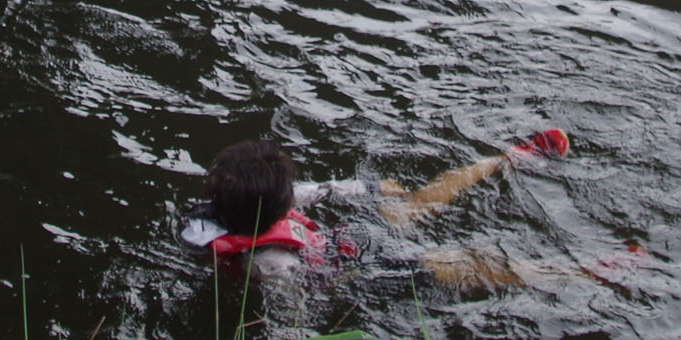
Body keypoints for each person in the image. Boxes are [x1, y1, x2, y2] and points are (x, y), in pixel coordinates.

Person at [180, 132, 574, 289]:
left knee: (417, 201)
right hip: (367, 267)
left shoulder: (234, 203)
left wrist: (372, 188)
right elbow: (297, 308)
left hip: (349, 237)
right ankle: (587, 273)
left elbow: (322, 190)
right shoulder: (271, 263)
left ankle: (509, 158)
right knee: (469, 263)